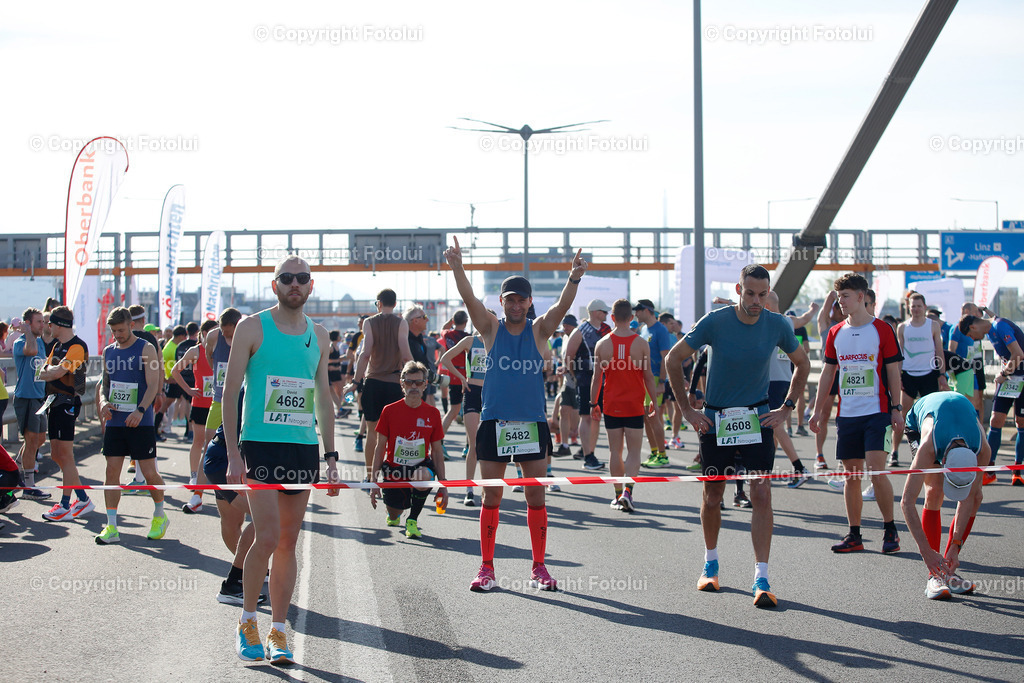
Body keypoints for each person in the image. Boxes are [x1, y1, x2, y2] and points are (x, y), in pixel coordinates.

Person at [446, 236, 586, 592]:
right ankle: (486, 568)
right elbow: (469, 299)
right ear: (503, 302)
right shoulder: (490, 328)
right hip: (495, 422)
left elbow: (560, 306)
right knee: (492, 496)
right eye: (511, 300)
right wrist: (458, 267)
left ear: (529, 302)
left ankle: (539, 567)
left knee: (534, 497)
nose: (517, 305)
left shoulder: (540, 331)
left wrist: (574, 278)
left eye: (522, 299)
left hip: (532, 423)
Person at [666, 264, 808, 608]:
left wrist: (787, 407)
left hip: (757, 419)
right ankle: (710, 563)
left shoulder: (777, 325)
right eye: (750, 293)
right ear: (738, 289)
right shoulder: (715, 321)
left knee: (761, 493)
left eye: (762, 294)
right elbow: (673, 359)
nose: (756, 301)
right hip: (716, 420)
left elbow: (802, 364)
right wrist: (687, 410)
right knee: (713, 495)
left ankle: (761, 576)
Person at [223, 256, 339, 665]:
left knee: (289, 541)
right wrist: (234, 452)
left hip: (301, 448)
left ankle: (279, 630)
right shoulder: (252, 327)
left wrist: (331, 456)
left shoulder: (320, 336)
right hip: (260, 445)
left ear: (310, 286)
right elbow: (230, 390)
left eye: (302, 278)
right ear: (275, 286)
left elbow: (323, 398)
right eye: (287, 278)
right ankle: (247, 621)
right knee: (267, 536)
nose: (295, 284)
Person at [809, 273, 903, 555]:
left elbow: (893, 371)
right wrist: (816, 411)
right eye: (838, 298)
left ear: (861, 297)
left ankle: (890, 529)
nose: (841, 302)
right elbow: (828, 372)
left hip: (877, 412)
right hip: (847, 414)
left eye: (845, 297)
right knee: (852, 476)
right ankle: (855, 534)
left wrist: (897, 408)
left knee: (876, 471)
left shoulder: (882, 330)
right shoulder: (836, 332)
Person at [900, 392, 988, 599]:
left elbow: (969, 497)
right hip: (923, 419)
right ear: (944, 462)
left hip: (959, 412)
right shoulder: (929, 448)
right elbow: (906, 502)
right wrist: (926, 553)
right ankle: (934, 574)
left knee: (976, 497)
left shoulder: (982, 449)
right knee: (933, 491)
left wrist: (956, 546)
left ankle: (949, 567)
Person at [95, 307, 168, 544]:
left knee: (149, 473)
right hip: (116, 421)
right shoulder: (108, 352)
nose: (118, 335)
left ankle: (159, 515)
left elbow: (153, 384)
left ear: (130, 325)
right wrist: (104, 403)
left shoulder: (145, 348)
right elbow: (104, 385)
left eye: (121, 330)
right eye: (114, 331)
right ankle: (112, 526)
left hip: (140, 420)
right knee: (111, 472)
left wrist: (140, 410)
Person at [591, 299, 657, 511]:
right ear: (631, 318)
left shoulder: (602, 344)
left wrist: (593, 403)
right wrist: (653, 401)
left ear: (612, 318)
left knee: (614, 452)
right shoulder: (641, 343)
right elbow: (648, 377)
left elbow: (596, 378)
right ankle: (628, 492)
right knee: (634, 451)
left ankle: (618, 494)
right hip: (634, 403)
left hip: (612, 404)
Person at [369, 361, 448, 537]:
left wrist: (443, 483)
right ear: (402, 384)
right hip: (395, 468)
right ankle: (394, 513)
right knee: (395, 512)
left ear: (425, 385)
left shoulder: (433, 414)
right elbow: (379, 447)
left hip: (420, 466)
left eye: (418, 382)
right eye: (409, 382)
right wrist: (373, 480)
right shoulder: (389, 411)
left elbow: (436, 451)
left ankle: (412, 520)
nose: (414, 386)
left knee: (423, 476)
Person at [344, 290, 413, 481]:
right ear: (395, 303)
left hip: (373, 383)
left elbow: (365, 354)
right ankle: (393, 475)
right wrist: (415, 377)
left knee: (372, 432)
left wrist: (355, 382)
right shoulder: (401, 323)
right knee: (395, 433)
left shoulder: (369, 322)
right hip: (394, 384)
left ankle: (369, 476)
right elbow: (406, 354)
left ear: (379, 303)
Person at [37, 306, 94, 522]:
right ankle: (82, 498)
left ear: (59, 324)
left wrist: (51, 372)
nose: (47, 327)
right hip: (53, 402)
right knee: (56, 455)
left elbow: (57, 372)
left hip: (68, 402)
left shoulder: (78, 346)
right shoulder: (57, 346)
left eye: (49, 323)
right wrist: (51, 372)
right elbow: (42, 372)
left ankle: (64, 504)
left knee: (66, 455)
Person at [958, 313, 1024, 486]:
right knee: (995, 420)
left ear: (973, 327)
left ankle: (1017, 470)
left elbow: (1018, 354)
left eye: (972, 336)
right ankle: (989, 469)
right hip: (1009, 379)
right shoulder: (992, 329)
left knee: (1021, 421)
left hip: (1019, 377)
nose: (974, 339)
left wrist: (1002, 373)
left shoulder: (999, 326)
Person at [891, 293, 947, 466]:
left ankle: (930, 452)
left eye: (918, 306)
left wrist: (942, 375)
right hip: (908, 374)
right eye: (912, 306)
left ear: (924, 307)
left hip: (928, 374)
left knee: (930, 416)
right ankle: (894, 452)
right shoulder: (903, 327)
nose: (915, 309)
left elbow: (939, 351)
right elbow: (899, 355)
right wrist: (897, 377)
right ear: (909, 308)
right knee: (902, 415)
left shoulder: (933, 326)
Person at [171, 319, 218, 513]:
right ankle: (194, 475)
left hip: (219, 404)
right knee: (199, 442)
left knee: (215, 444)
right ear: (203, 334)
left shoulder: (224, 350)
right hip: (200, 403)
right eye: (211, 333)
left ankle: (213, 481)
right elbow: (175, 371)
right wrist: (188, 390)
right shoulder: (196, 351)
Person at [440, 326, 490, 506]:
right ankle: (469, 490)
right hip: (472, 391)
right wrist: (461, 377)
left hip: (492, 394)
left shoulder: (497, 341)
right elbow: (445, 359)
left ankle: (489, 487)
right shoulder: (471, 341)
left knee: (492, 443)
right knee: (473, 443)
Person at [563, 299, 610, 470]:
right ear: (596, 312)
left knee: (596, 416)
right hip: (585, 380)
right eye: (604, 312)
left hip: (602, 380)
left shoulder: (606, 330)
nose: (606, 315)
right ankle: (588, 455)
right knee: (586, 416)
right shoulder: (580, 331)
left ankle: (589, 451)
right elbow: (568, 356)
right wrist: (577, 376)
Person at [12, 307, 50, 501]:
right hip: (25, 398)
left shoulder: (41, 343)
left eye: (42, 322)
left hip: (38, 397)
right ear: (28, 324)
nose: (42, 325)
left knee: (40, 439)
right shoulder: (22, 342)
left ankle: (15, 466)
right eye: (38, 322)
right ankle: (28, 487)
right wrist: (25, 331)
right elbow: (31, 350)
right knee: (31, 441)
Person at [633, 300, 674, 469]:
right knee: (646, 417)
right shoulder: (643, 329)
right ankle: (655, 451)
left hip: (655, 378)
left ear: (647, 311)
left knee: (653, 417)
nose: (635, 314)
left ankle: (663, 456)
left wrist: (662, 382)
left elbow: (666, 357)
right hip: (643, 378)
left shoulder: (661, 330)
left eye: (638, 310)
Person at [204, 307, 242, 432]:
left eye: (227, 331)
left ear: (235, 326)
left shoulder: (245, 337)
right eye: (222, 330)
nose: (224, 333)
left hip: (239, 398)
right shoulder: (213, 336)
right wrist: (217, 372)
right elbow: (209, 355)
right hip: (219, 397)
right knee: (209, 435)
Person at [440, 311, 471, 433]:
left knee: (453, 410)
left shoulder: (448, 334)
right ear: (466, 322)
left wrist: (451, 320)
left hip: (453, 374)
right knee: (471, 413)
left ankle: (439, 440)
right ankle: (469, 444)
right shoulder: (468, 338)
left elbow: (443, 328)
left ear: (453, 321)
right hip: (467, 377)